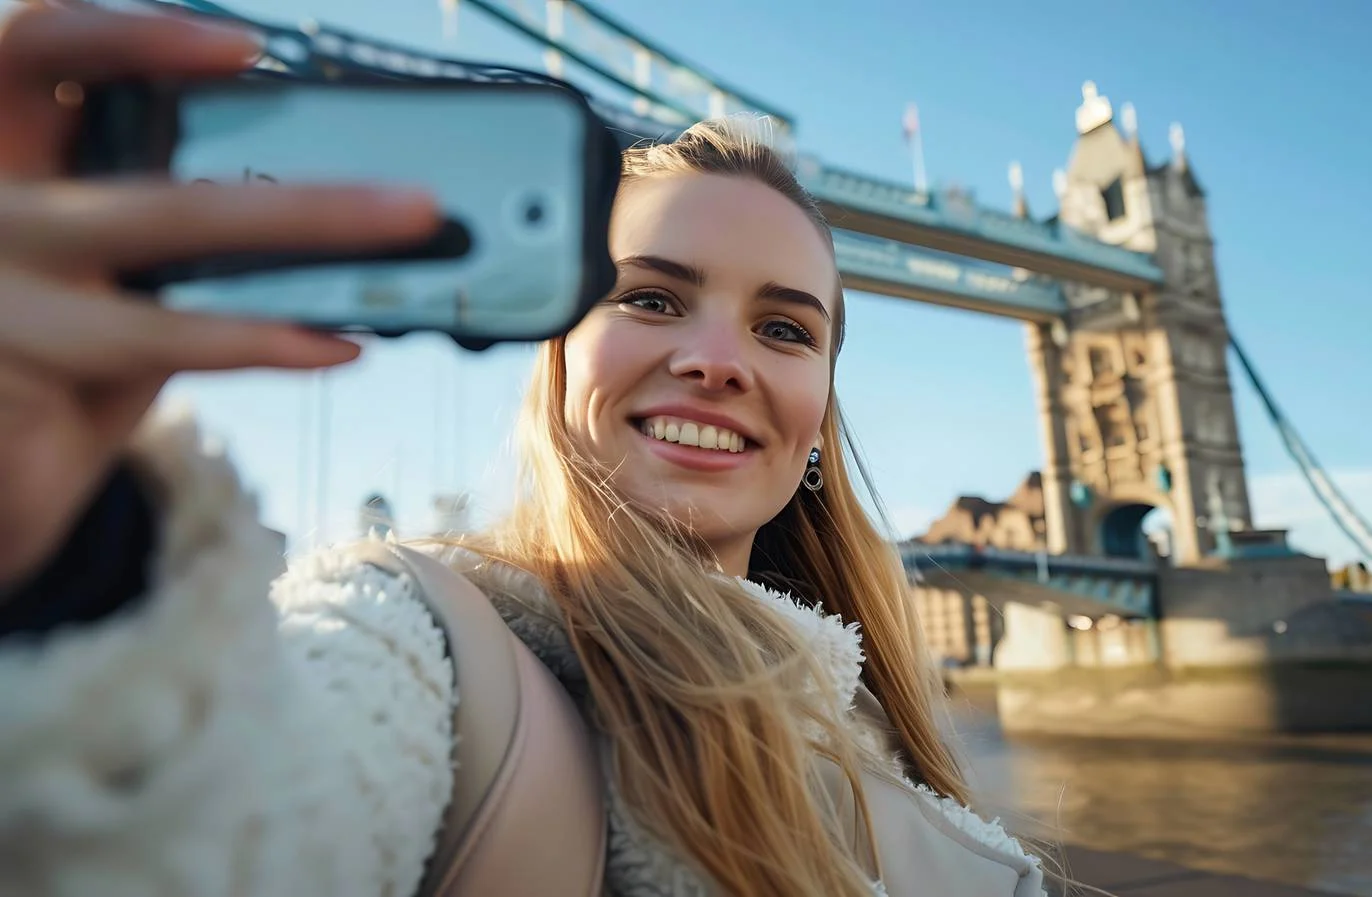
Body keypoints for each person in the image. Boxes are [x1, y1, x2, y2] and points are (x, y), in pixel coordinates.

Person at [0, 4, 1047, 896]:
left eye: (784, 329)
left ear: (818, 415)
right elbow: (211, 828)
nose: (717, 361)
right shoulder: (425, 645)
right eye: (649, 297)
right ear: (553, 370)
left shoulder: (884, 739)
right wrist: (62, 567)